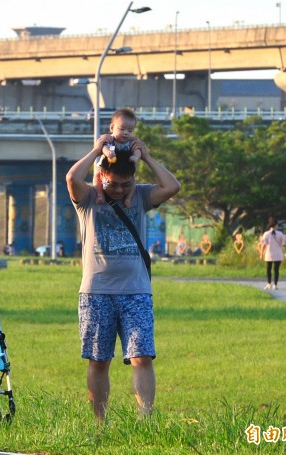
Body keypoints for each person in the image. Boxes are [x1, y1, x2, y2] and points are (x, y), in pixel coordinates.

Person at [66, 122, 181, 422]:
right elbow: (71, 177)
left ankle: (145, 421)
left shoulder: (140, 196)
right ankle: (99, 424)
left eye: (125, 185)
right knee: (99, 361)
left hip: (136, 291)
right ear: (102, 176)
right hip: (96, 292)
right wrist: (95, 150)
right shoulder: (89, 198)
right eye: (113, 184)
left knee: (142, 357)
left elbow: (172, 186)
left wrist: (146, 157)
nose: (119, 190)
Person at [92, 108, 143, 207]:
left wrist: (136, 157)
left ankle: (128, 198)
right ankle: (100, 194)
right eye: (122, 129)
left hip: (124, 168)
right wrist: (108, 152)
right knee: (97, 177)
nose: (126, 133)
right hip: (107, 167)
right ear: (112, 128)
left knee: (132, 181)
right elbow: (103, 147)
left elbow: (138, 151)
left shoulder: (132, 141)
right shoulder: (110, 139)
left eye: (130, 130)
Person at [259, 216, 286, 290]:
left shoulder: (266, 234)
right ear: (276, 225)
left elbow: (263, 245)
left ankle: (269, 283)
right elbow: (284, 244)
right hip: (278, 253)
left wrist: (261, 253)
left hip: (269, 253)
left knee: (268, 269)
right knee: (276, 270)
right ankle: (275, 284)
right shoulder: (280, 233)